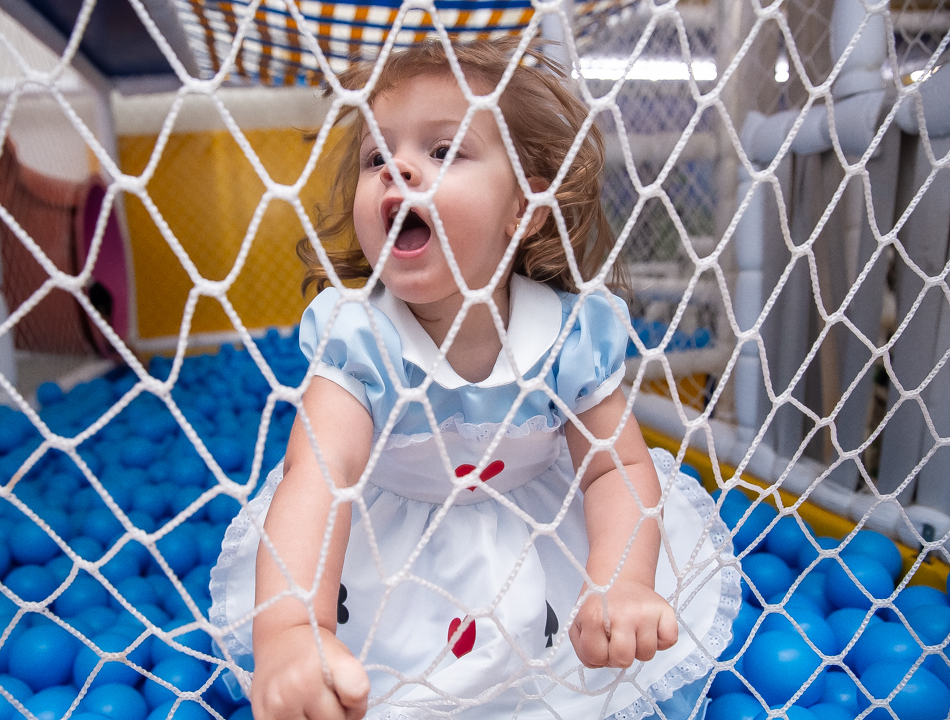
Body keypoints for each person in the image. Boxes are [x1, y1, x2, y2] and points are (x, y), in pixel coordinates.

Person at [209, 38, 739, 720]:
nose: (396, 167)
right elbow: (316, 481)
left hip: (540, 554)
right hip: (394, 572)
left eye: (441, 151)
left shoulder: (567, 336)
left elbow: (615, 470)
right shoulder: (360, 340)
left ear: (525, 206)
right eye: (377, 156)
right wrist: (290, 632)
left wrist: (619, 582)